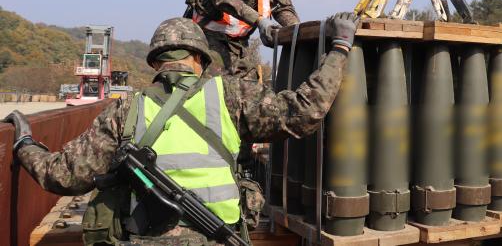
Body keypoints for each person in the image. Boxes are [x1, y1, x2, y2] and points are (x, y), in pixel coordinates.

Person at [4, 13, 358, 245]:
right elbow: (304, 111)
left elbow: (64, 176)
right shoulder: (229, 96)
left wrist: (23, 143)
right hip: (218, 238)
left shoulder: (126, 109)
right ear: (200, 59)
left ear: (156, 62)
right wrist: (340, 48)